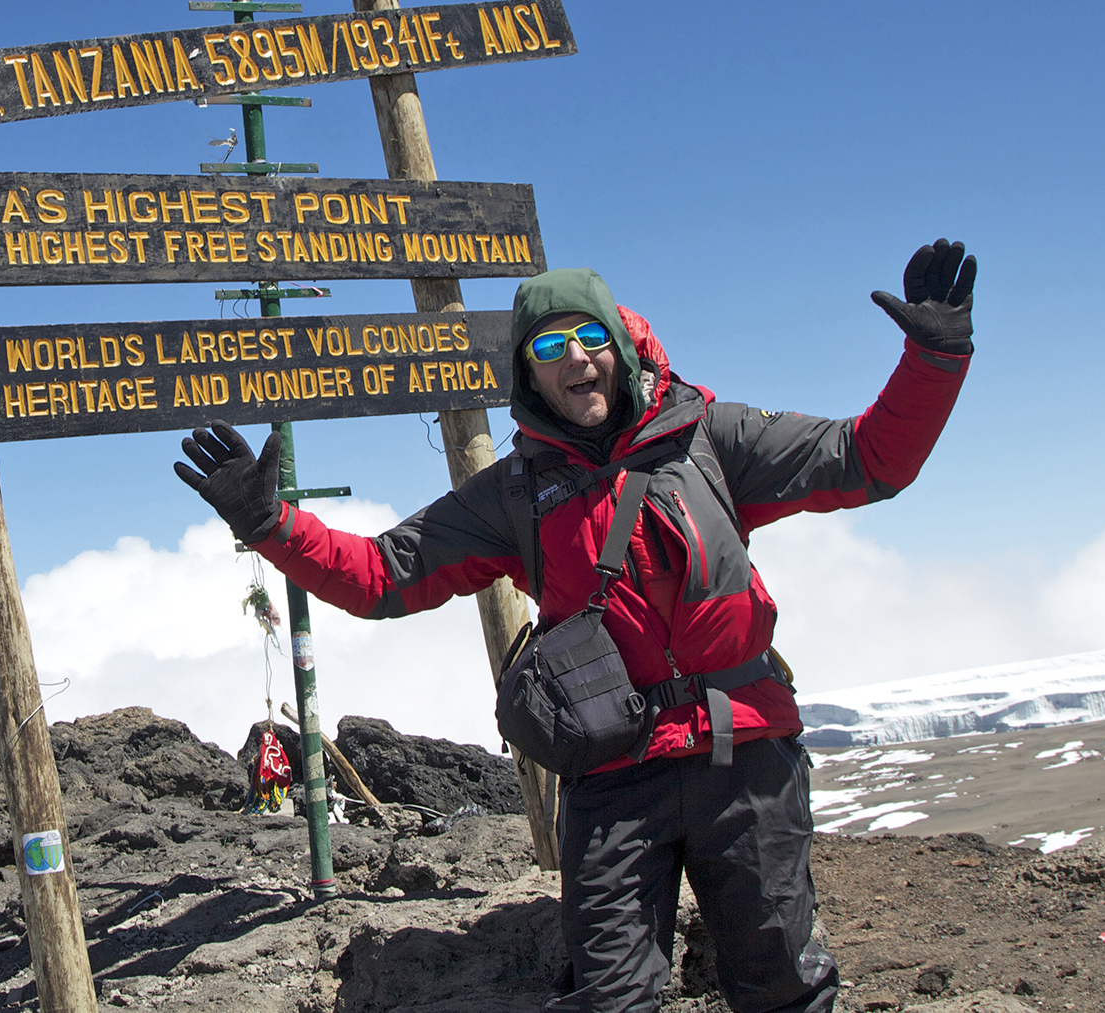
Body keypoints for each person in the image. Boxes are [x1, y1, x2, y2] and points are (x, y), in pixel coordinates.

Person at [173, 240, 976, 1013]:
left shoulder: (710, 440)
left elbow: (871, 458)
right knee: (607, 996)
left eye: (590, 335)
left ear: (620, 345)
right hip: (611, 773)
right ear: (529, 371)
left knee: (783, 988)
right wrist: (271, 523)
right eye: (549, 345)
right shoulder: (515, 492)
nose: (575, 357)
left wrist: (933, 361)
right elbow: (384, 574)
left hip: (744, 752)